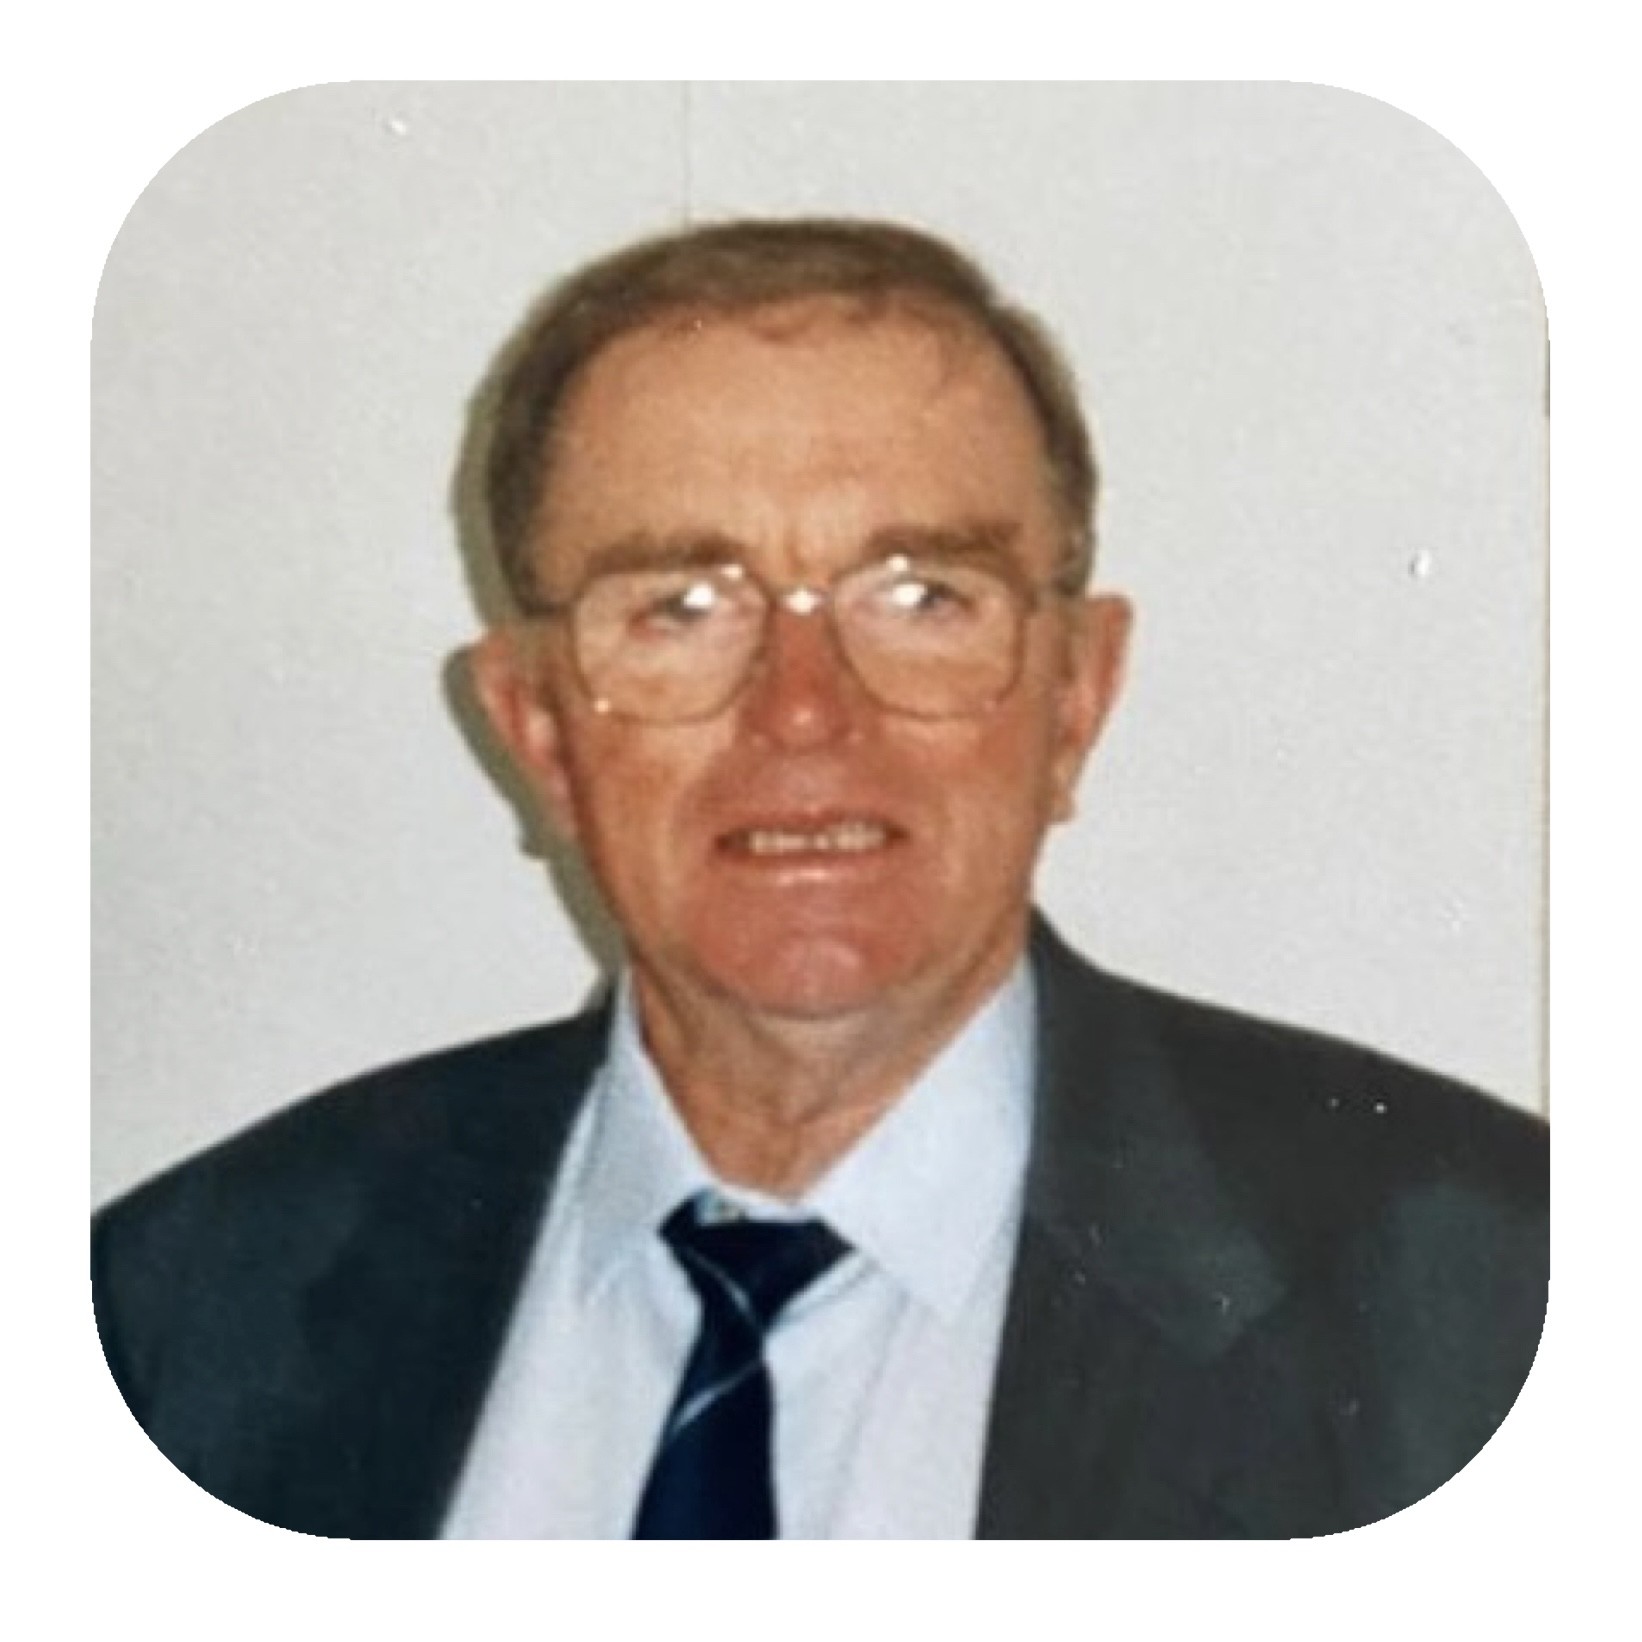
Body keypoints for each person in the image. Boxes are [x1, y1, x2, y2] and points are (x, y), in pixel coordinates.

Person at [91, 217, 1547, 1540]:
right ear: (536, 728)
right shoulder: (177, 1311)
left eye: (921, 596)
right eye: (680, 606)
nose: (801, 711)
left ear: (1076, 698)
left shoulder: (1497, 1303)